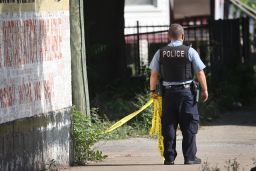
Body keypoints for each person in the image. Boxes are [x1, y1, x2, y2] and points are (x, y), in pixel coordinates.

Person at [149, 24, 208, 165]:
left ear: (169, 36)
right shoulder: (190, 51)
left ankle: (169, 158)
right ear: (182, 36)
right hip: (186, 93)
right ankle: (190, 158)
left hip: (168, 94)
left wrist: (152, 91)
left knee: (169, 125)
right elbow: (199, 72)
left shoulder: (161, 52)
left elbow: (154, 75)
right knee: (189, 125)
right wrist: (205, 89)